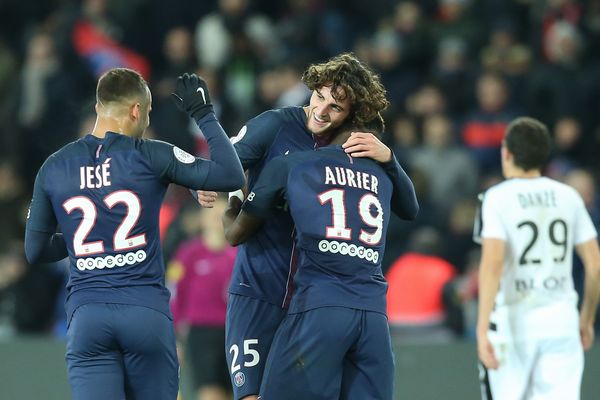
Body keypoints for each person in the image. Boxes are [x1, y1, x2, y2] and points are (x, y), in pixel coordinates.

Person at [199, 52, 416, 400]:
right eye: (319, 96)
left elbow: (409, 205)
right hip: (260, 289)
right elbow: (225, 166)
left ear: (352, 114)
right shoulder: (275, 125)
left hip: (311, 299)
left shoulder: (356, 151)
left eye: (335, 107)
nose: (321, 110)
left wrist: (390, 159)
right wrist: (207, 181)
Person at [23, 67, 244, 400]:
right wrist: (203, 113)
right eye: (149, 111)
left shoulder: (54, 166)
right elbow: (230, 174)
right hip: (145, 314)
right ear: (137, 110)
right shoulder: (150, 154)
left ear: (99, 106)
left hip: (88, 318)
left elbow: (35, 250)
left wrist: (91, 242)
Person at [474, 116, 600, 400]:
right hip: (561, 321)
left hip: (513, 324)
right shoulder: (569, 196)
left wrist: (482, 331)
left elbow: (492, 265)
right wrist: (586, 319)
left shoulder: (497, 198)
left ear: (507, 152)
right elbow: (595, 266)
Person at [169, 196, 236, 400]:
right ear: (203, 218)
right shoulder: (189, 253)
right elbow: (174, 293)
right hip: (202, 333)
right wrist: (174, 336)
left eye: (222, 215)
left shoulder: (238, 253)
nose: (217, 220)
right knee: (210, 392)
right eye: (212, 214)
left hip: (234, 333)